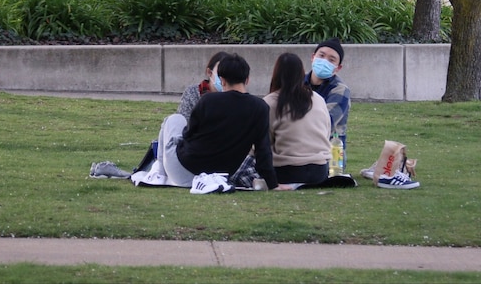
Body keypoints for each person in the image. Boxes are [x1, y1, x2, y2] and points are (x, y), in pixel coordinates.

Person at [139, 53, 289, 191]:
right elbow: (263, 151)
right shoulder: (260, 107)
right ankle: (159, 171)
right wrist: (273, 184)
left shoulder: (208, 100)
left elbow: (188, 133)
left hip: (183, 174)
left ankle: (158, 171)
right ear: (247, 79)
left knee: (173, 120)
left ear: (222, 80)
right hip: (220, 177)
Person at [91, 52, 229, 179]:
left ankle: (154, 171)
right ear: (209, 73)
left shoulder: (234, 99)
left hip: (213, 156)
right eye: (220, 73)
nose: (224, 79)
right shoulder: (194, 93)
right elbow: (183, 127)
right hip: (192, 151)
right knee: (172, 123)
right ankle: (155, 170)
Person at [262, 52, 331, 185]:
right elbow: (326, 131)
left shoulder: (270, 102)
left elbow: (262, 143)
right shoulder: (318, 99)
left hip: (286, 171)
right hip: (320, 171)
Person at [305, 38, 351, 153]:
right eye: (321, 55)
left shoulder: (340, 90)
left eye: (331, 60)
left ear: (338, 68)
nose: (324, 61)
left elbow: (325, 123)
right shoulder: (297, 82)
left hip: (330, 153)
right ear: (313, 57)